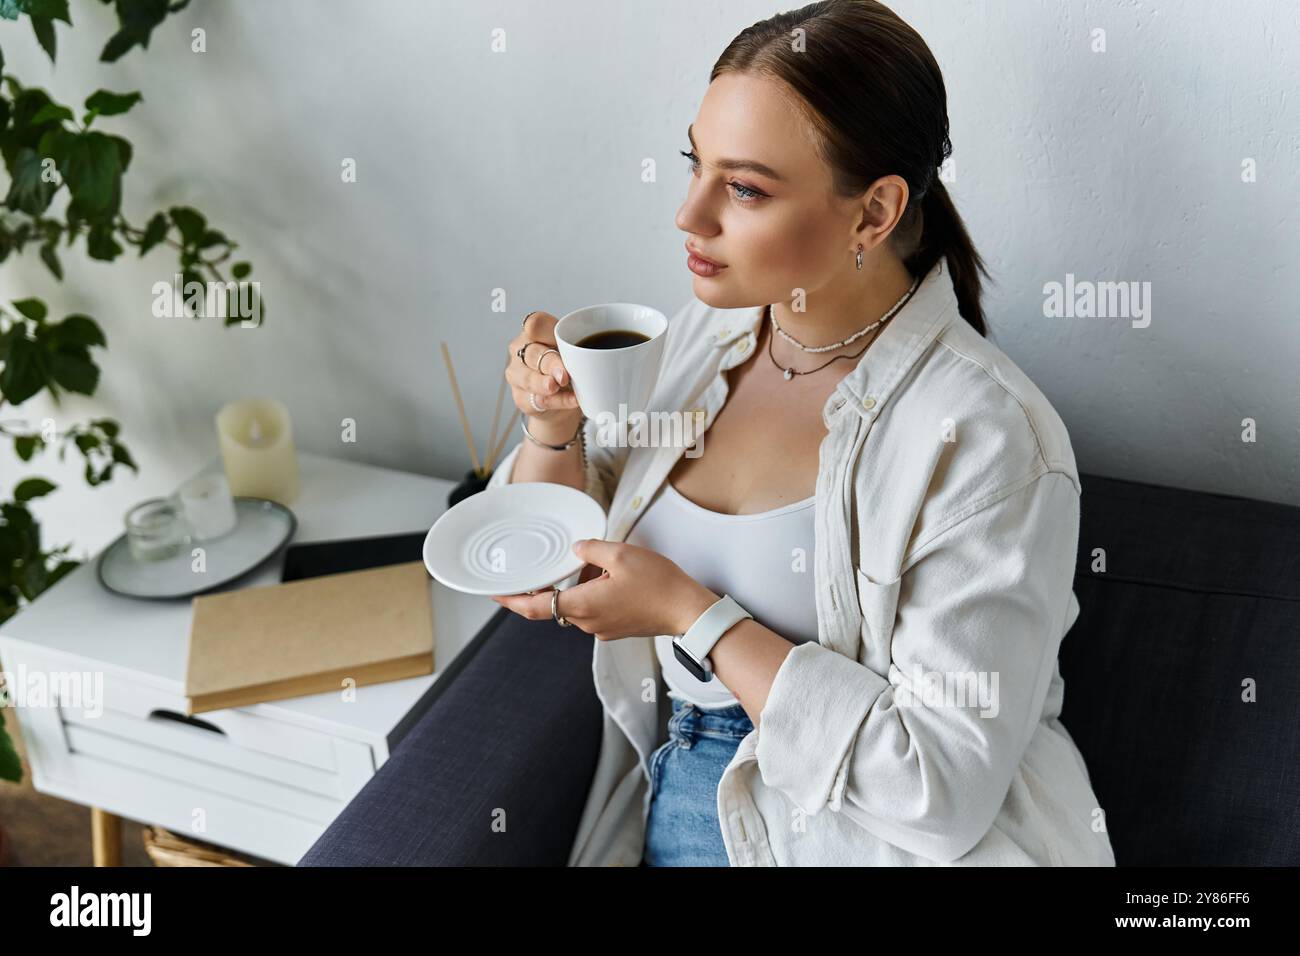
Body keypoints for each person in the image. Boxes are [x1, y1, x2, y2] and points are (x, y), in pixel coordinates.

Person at [487, 0, 1116, 867]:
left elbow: (939, 794)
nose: (689, 215)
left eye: (744, 188)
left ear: (874, 212)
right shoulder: (706, 343)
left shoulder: (988, 441)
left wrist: (690, 616)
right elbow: (555, 556)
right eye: (694, 164)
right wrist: (553, 431)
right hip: (683, 788)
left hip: (863, 838)